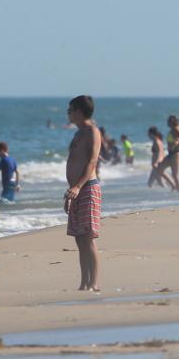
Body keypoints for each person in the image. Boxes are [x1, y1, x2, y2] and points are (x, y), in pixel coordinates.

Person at [65, 95, 102, 292]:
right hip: (76, 190)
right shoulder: (78, 133)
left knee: (88, 237)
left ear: (79, 111)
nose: (68, 114)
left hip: (88, 187)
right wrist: (71, 191)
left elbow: (92, 162)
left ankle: (93, 283)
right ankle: (84, 282)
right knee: (79, 238)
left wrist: (78, 186)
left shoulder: (92, 132)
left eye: (70, 110)